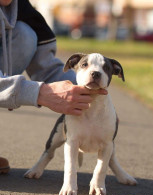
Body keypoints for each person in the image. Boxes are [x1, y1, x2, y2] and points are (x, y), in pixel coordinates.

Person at [0, 0, 107, 174]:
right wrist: (42, 93)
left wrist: (89, 96)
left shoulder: (22, 10)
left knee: (26, 34)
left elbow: (47, 68)